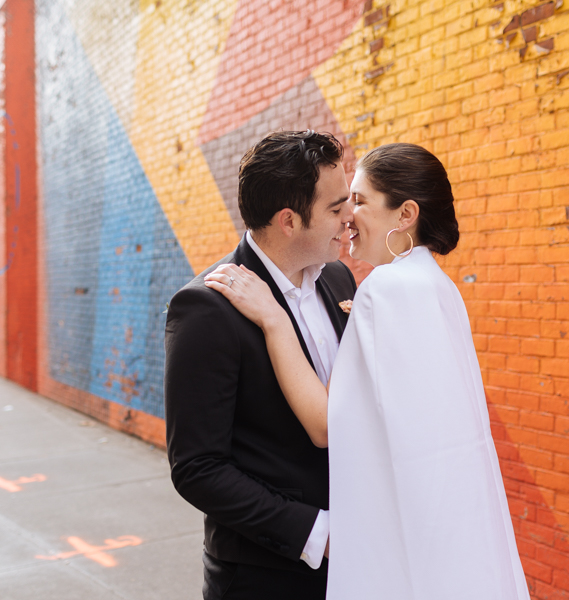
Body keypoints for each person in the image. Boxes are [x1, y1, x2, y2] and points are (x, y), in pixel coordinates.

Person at [205, 143, 531, 599]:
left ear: (405, 214)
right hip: (450, 528)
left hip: (398, 535)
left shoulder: (384, 290)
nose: (347, 217)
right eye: (342, 203)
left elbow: (324, 425)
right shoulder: (438, 287)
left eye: (358, 201)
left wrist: (273, 318)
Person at [164, 130, 357, 600]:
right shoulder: (205, 310)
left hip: (358, 562)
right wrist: (318, 534)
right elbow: (197, 467)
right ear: (289, 221)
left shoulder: (338, 276)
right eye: (336, 208)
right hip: (267, 576)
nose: (349, 218)